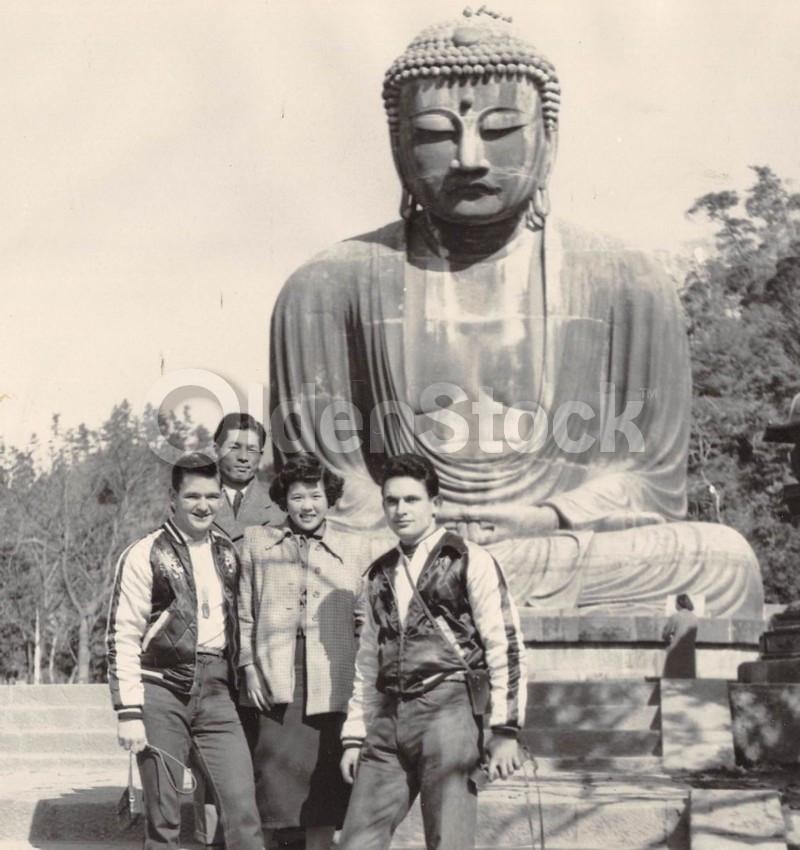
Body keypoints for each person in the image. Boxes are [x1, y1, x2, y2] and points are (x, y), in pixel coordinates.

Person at [269, 8, 763, 618]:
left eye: (500, 130)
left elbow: (652, 483)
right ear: (398, 144)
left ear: (548, 139)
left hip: (550, 545)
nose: (469, 158)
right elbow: (318, 486)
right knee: (292, 564)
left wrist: (547, 515)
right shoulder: (326, 286)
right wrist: (420, 519)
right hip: (398, 543)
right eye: (435, 134)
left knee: (722, 561)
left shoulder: (627, 281)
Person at [337, 453, 526, 850]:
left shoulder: (468, 559)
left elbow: (504, 645)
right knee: (357, 840)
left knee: (448, 839)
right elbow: (369, 658)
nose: (401, 510)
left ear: (434, 504)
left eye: (412, 499)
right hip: (389, 716)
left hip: (448, 709)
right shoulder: (378, 573)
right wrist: (355, 735)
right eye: (392, 501)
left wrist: (505, 730)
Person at [106, 453, 262, 850]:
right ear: (172, 498)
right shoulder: (144, 553)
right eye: (193, 496)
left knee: (243, 809)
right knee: (164, 817)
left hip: (217, 694)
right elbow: (122, 635)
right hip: (161, 691)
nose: (203, 505)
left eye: (212, 496)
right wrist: (129, 712)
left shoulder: (227, 553)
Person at [238, 453, 375, 850]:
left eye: (315, 496)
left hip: (331, 681)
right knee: (270, 789)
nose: (307, 506)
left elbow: (365, 621)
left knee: (324, 793)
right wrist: (249, 667)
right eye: (297, 497)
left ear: (329, 498)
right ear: (285, 500)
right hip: (273, 678)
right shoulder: (257, 542)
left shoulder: (355, 548)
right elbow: (243, 613)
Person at [213, 412, 285, 546]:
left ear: (260, 455)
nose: (243, 457)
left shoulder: (278, 504)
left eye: (252, 450)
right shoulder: (190, 498)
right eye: (234, 447)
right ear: (216, 450)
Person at [662, 593, 699, 678]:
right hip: (689, 653)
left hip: (676, 651)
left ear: (679, 604)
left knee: (672, 678)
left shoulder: (675, 616)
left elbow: (665, 634)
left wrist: (670, 638)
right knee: (687, 678)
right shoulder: (694, 617)